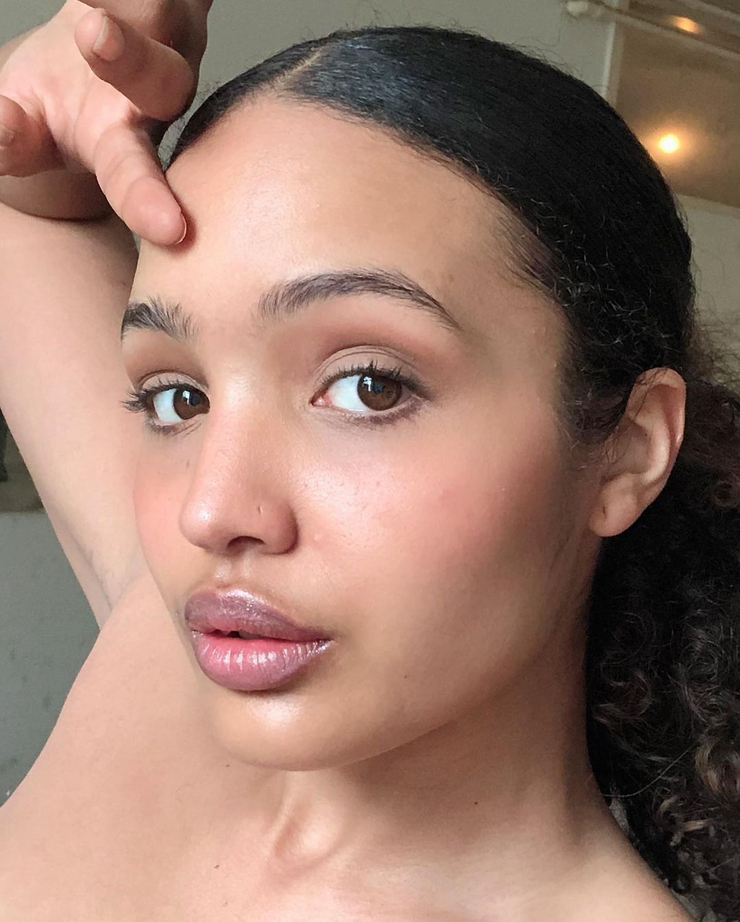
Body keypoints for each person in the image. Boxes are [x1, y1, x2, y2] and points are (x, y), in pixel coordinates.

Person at [0, 2, 738, 920]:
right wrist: (61, 74)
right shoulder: (159, 665)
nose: (211, 512)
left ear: (629, 450)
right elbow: (29, 202)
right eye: (178, 399)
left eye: (369, 388)